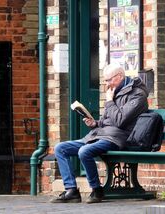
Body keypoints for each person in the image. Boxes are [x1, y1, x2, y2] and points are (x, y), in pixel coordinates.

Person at [50, 63, 149, 203]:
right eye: (105, 80)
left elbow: (120, 121)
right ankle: (71, 190)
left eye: (108, 79)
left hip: (118, 137)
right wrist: (95, 123)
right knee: (60, 148)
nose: (106, 83)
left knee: (84, 151)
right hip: (100, 134)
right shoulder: (115, 91)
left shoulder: (137, 95)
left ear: (120, 76)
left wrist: (109, 101)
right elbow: (107, 120)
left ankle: (97, 190)